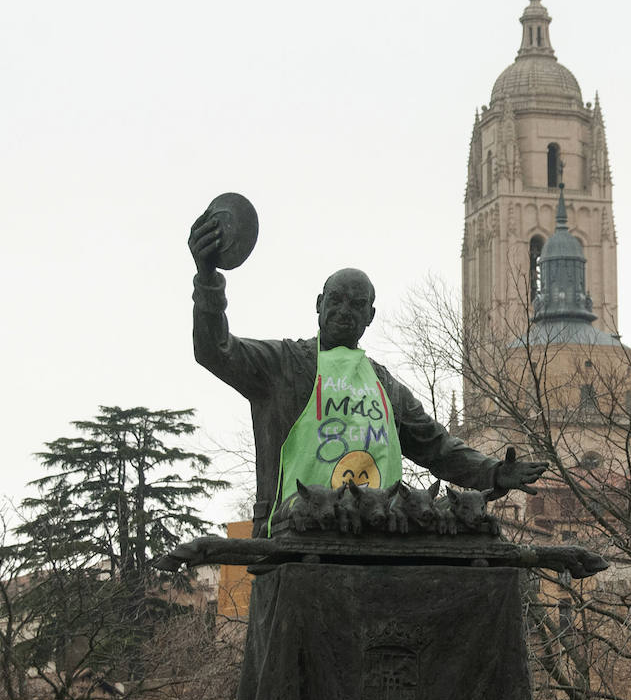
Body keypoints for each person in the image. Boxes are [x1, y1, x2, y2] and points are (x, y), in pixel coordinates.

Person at [188, 213, 546, 536]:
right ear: (319, 304)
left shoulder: (385, 386)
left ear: (370, 316)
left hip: (377, 541)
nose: (345, 311)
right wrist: (207, 279)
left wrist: (494, 472)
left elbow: (438, 447)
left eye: (357, 304)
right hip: (294, 538)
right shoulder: (283, 364)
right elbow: (216, 350)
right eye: (336, 300)